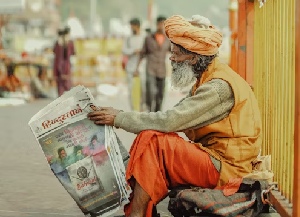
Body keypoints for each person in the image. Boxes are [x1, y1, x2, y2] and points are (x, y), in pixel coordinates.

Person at [87, 14, 262, 217]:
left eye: (176, 53)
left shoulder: (218, 87)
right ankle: (141, 210)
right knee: (152, 137)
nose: (171, 58)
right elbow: (171, 115)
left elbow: (170, 121)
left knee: (153, 141)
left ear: (194, 57)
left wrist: (120, 118)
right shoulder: (207, 79)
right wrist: (121, 117)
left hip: (227, 169)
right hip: (216, 160)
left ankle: (137, 214)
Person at [135, 16, 171, 112]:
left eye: (163, 24)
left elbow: (174, 53)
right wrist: (136, 68)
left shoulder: (168, 39)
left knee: (160, 95)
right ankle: (149, 113)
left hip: (162, 70)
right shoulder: (149, 38)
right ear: (156, 24)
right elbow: (142, 54)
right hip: (150, 69)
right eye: (159, 24)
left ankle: (157, 114)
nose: (161, 26)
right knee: (150, 93)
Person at [122, 18, 146, 111]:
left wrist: (141, 52)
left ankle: (142, 108)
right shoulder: (128, 38)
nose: (132, 28)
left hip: (142, 68)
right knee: (131, 90)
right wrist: (133, 51)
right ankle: (133, 110)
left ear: (138, 26)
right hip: (131, 68)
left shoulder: (144, 37)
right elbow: (124, 50)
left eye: (133, 26)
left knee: (143, 90)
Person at [53, 26, 75, 96]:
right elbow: (73, 53)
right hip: (64, 67)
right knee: (65, 86)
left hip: (61, 67)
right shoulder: (68, 43)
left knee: (62, 87)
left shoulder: (59, 43)